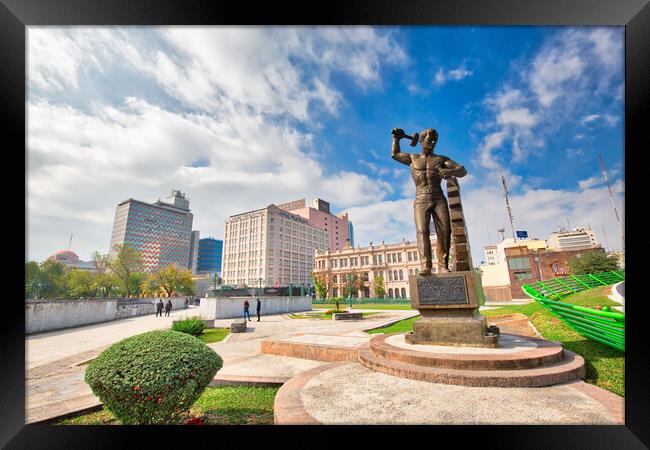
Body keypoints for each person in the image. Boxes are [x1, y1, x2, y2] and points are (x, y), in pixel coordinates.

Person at [391, 127, 467, 275]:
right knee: (422, 231)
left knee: (444, 231)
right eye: (429, 140)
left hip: (438, 198)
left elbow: (462, 170)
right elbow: (395, 154)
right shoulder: (413, 158)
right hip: (421, 199)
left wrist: (450, 171)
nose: (432, 143)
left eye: (434, 140)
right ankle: (426, 265)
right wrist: (397, 139)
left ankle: (443, 266)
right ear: (421, 140)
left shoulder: (441, 159)